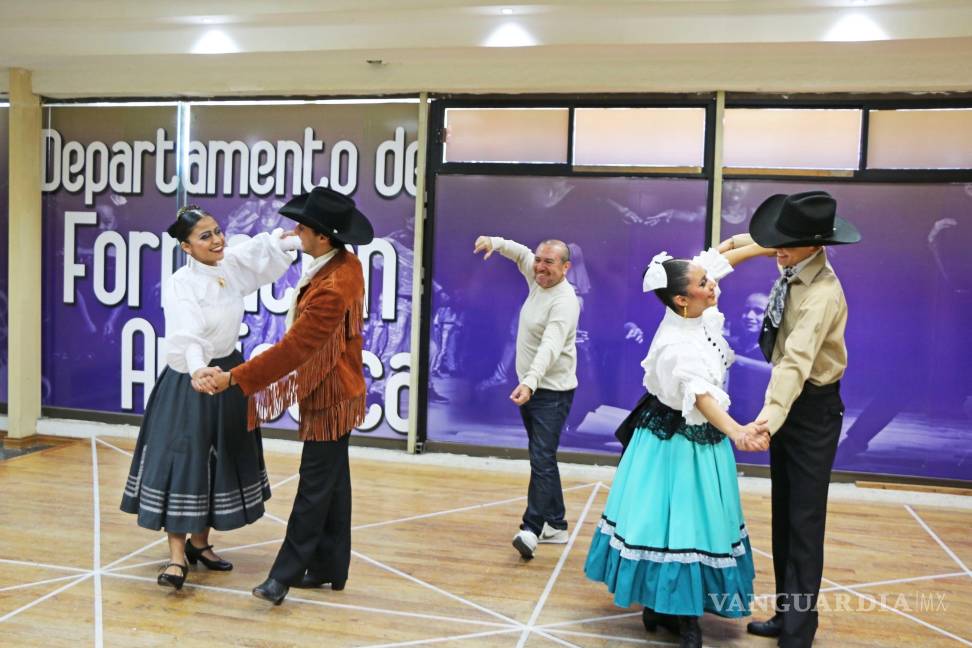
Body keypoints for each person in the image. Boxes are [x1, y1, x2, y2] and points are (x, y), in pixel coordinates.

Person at [583, 243, 771, 648]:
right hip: (673, 442)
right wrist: (737, 431)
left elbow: (722, 256)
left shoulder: (694, 308)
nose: (713, 286)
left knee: (690, 522)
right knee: (676, 522)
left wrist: (764, 247)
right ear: (683, 299)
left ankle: (667, 607)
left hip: (696, 439)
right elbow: (699, 394)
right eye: (704, 284)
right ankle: (678, 614)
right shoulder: (676, 343)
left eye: (708, 281)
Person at [200, 186, 374, 606]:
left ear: (324, 236)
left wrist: (234, 378)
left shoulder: (334, 285)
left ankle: (284, 575)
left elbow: (294, 350)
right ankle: (331, 566)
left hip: (332, 399)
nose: (296, 229)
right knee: (332, 483)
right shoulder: (341, 265)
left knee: (315, 486)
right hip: (337, 392)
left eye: (303, 225)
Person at [120, 205, 300, 590]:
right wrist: (199, 368)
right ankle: (175, 558)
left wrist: (297, 238)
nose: (217, 240)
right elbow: (186, 331)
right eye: (205, 236)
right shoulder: (181, 283)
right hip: (191, 378)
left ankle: (200, 545)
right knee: (184, 462)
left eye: (218, 231)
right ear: (186, 247)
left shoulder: (228, 265)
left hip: (227, 375)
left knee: (218, 459)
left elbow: (262, 251)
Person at [733, 190, 861, 647]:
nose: (776, 248)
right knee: (785, 517)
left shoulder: (822, 294)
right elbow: (764, 245)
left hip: (811, 409)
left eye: (784, 242)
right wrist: (734, 247)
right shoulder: (795, 263)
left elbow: (795, 362)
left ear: (813, 243)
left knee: (805, 523)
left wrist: (768, 419)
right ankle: (786, 616)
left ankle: (798, 633)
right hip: (793, 404)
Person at [473, 234, 580, 560]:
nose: (540, 266)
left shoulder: (565, 302)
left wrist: (530, 382)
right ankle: (557, 525)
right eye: (539, 259)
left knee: (541, 458)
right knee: (544, 457)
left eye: (549, 262)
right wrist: (494, 242)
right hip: (532, 389)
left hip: (552, 393)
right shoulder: (537, 280)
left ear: (566, 268)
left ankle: (532, 529)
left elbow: (550, 345)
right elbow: (519, 252)